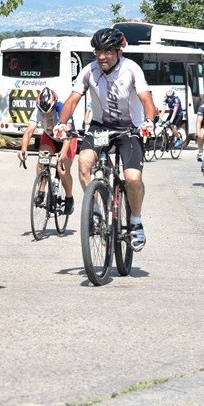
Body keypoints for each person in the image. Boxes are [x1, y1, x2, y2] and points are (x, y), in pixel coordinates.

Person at [54, 27, 157, 249]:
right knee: (84, 163)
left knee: (132, 178)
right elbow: (72, 100)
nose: (102, 56)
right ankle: (96, 211)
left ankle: (136, 222)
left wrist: (149, 122)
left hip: (130, 128)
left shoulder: (131, 69)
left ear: (119, 51)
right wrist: (62, 124)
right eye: (98, 51)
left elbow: (146, 99)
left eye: (108, 51)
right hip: (100, 127)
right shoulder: (89, 71)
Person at [18, 87, 77, 215]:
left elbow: (68, 136)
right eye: (43, 113)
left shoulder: (62, 109)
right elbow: (28, 132)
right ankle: (41, 191)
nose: (46, 115)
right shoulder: (38, 111)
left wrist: (62, 152)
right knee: (42, 160)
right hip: (50, 137)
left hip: (67, 139)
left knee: (62, 170)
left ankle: (69, 198)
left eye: (49, 112)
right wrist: (23, 149)